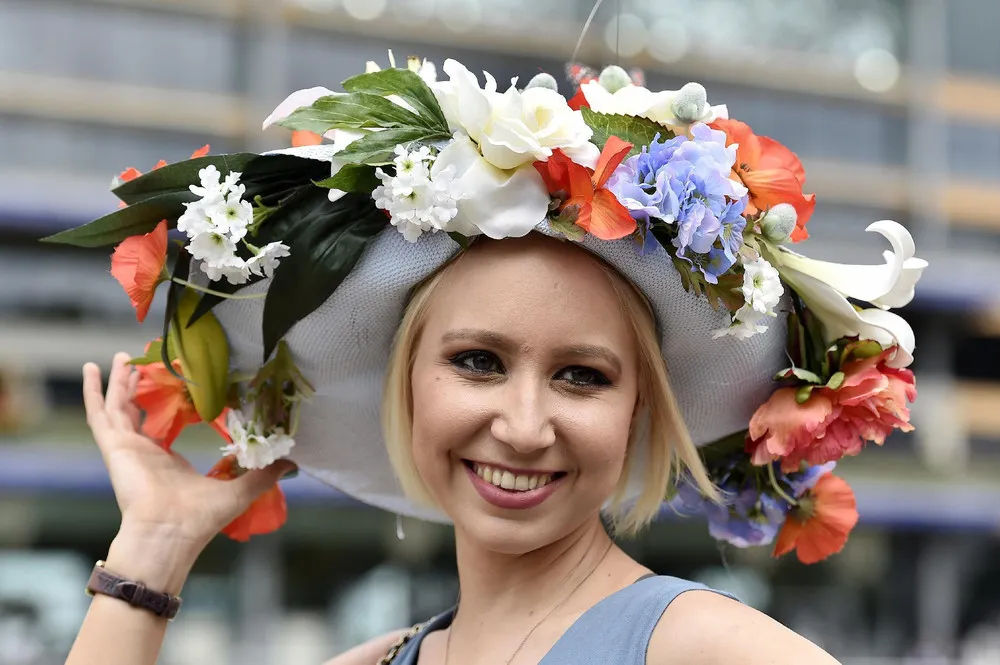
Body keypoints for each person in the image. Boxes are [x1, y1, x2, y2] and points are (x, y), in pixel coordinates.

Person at [51, 55, 924, 665]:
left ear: (640, 411)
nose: (522, 423)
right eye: (476, 360)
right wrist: (155, 548)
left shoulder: (710, 651)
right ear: (408, 383)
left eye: (583, 374)